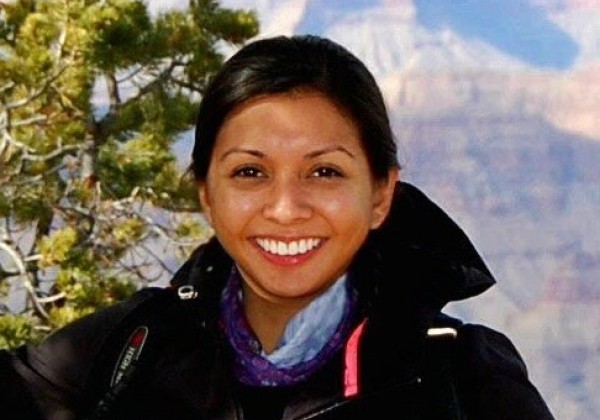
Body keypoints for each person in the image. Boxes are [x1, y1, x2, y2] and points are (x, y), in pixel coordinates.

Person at [0, 35, 554, 419]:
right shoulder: (131, 349)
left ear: (382, 193)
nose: (286, 208)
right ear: (206, 196)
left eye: (324, 171)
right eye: (249, 172)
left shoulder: (461, 380)